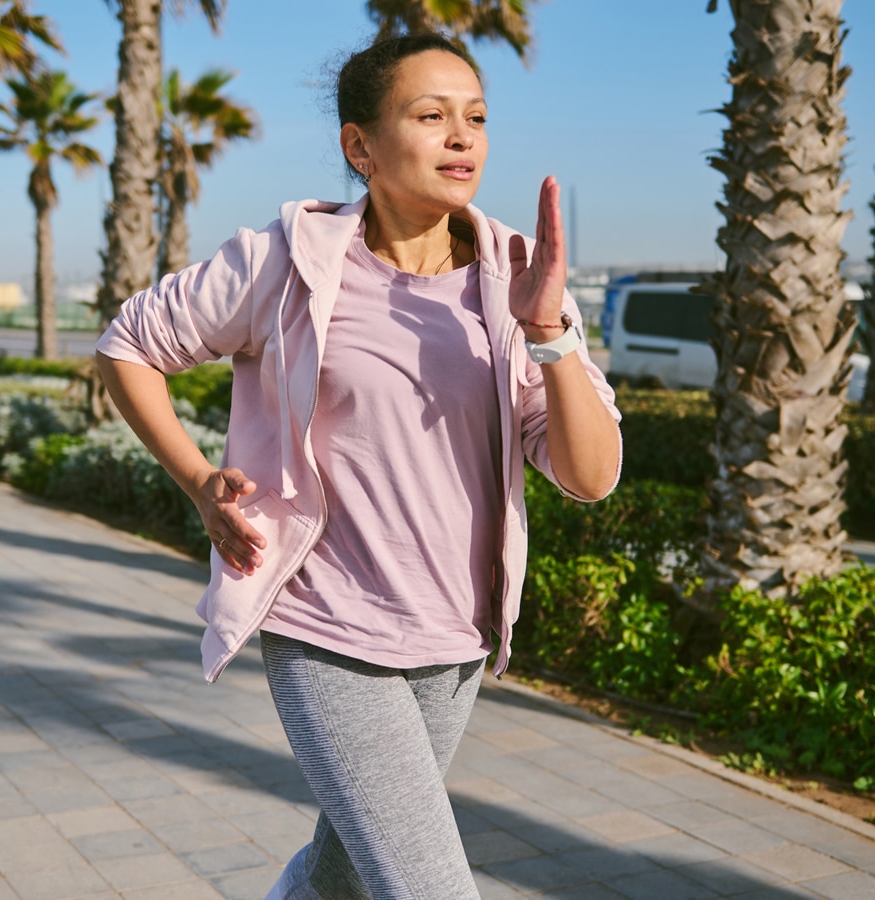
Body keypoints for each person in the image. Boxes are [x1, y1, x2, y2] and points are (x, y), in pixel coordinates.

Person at [95, 32, 622, 899]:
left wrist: (551, 334)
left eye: (477, 118)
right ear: (359, 146)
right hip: (327, 631)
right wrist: (198, 481)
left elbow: (590, 475)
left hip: (455, 639)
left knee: (342, 876)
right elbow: (128, 345)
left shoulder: (518, 278)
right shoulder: (288, 260)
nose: (463, 137)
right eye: (431, 115)